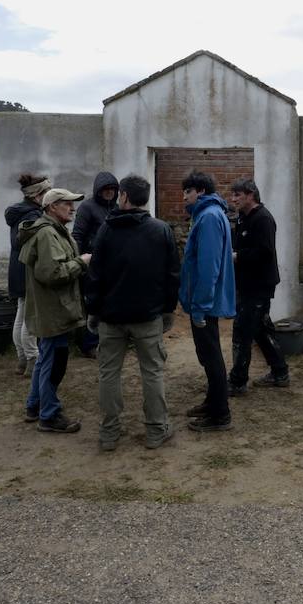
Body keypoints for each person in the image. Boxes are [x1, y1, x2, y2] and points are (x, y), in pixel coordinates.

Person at [87, 174, 181, 452]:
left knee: (108, 373)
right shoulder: (161, 230)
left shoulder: (106, 230)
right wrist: (168, 310)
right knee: (152, 372)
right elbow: (172, 274)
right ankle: (156, 429)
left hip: (111, 317)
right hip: (148, 316)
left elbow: (95, 275)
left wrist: (93, 310)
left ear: (124, 197)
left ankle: (109, 433)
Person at [19, 187, 91, 434]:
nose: (72, 208)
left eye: (72, 204)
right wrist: (81, 262)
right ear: (51, 207)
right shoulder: (48, 234)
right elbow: (53, 273)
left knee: (45, 358)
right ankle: (49, 416)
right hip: (53, 310)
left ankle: (34, 405)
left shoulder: (52, 231)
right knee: (54, 362)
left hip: (51, 308)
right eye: (66, 204)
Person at [179, 170, 236, 432]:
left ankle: (220, 414)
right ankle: (213, 401)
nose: (183, 198)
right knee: (207, 355)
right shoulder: (206, 215)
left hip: (206, 303)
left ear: (199, 191)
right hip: (204, 301)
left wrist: (200, 306)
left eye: (187, 192)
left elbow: (208, 266)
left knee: (211, 356)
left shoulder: (210, 217)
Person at [227, 178, 289, 393]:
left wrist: (236, 257)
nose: (233, 199)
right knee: (260, 330)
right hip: (247, 282)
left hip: (259, 284)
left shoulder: (262, 219)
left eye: (237, 195)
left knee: (243, 331)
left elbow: (264, 252)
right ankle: (280, 372)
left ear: (251, 195)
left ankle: (237, 382)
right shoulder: (243, 217)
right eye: (232, 195)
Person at [5, 173, 50, 376]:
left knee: (21, 313)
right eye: (47, 192)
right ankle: (33, 359)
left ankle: (22, 360)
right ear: (37, 195)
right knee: (29, 318)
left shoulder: (20, 211)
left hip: (16, 267)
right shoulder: (33, 216)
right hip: (26, 269)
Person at [71, 172, 119, 358]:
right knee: (93, 303)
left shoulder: (115, 208)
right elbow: (77, 236)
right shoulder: (87, 208)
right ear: (98, 190)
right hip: (92, 264)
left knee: (109, 303)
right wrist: (80, 262)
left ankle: (107, 341)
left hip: (112, 264)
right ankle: (89, 344)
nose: (109, 192)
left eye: (112, 189)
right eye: (105, 189)